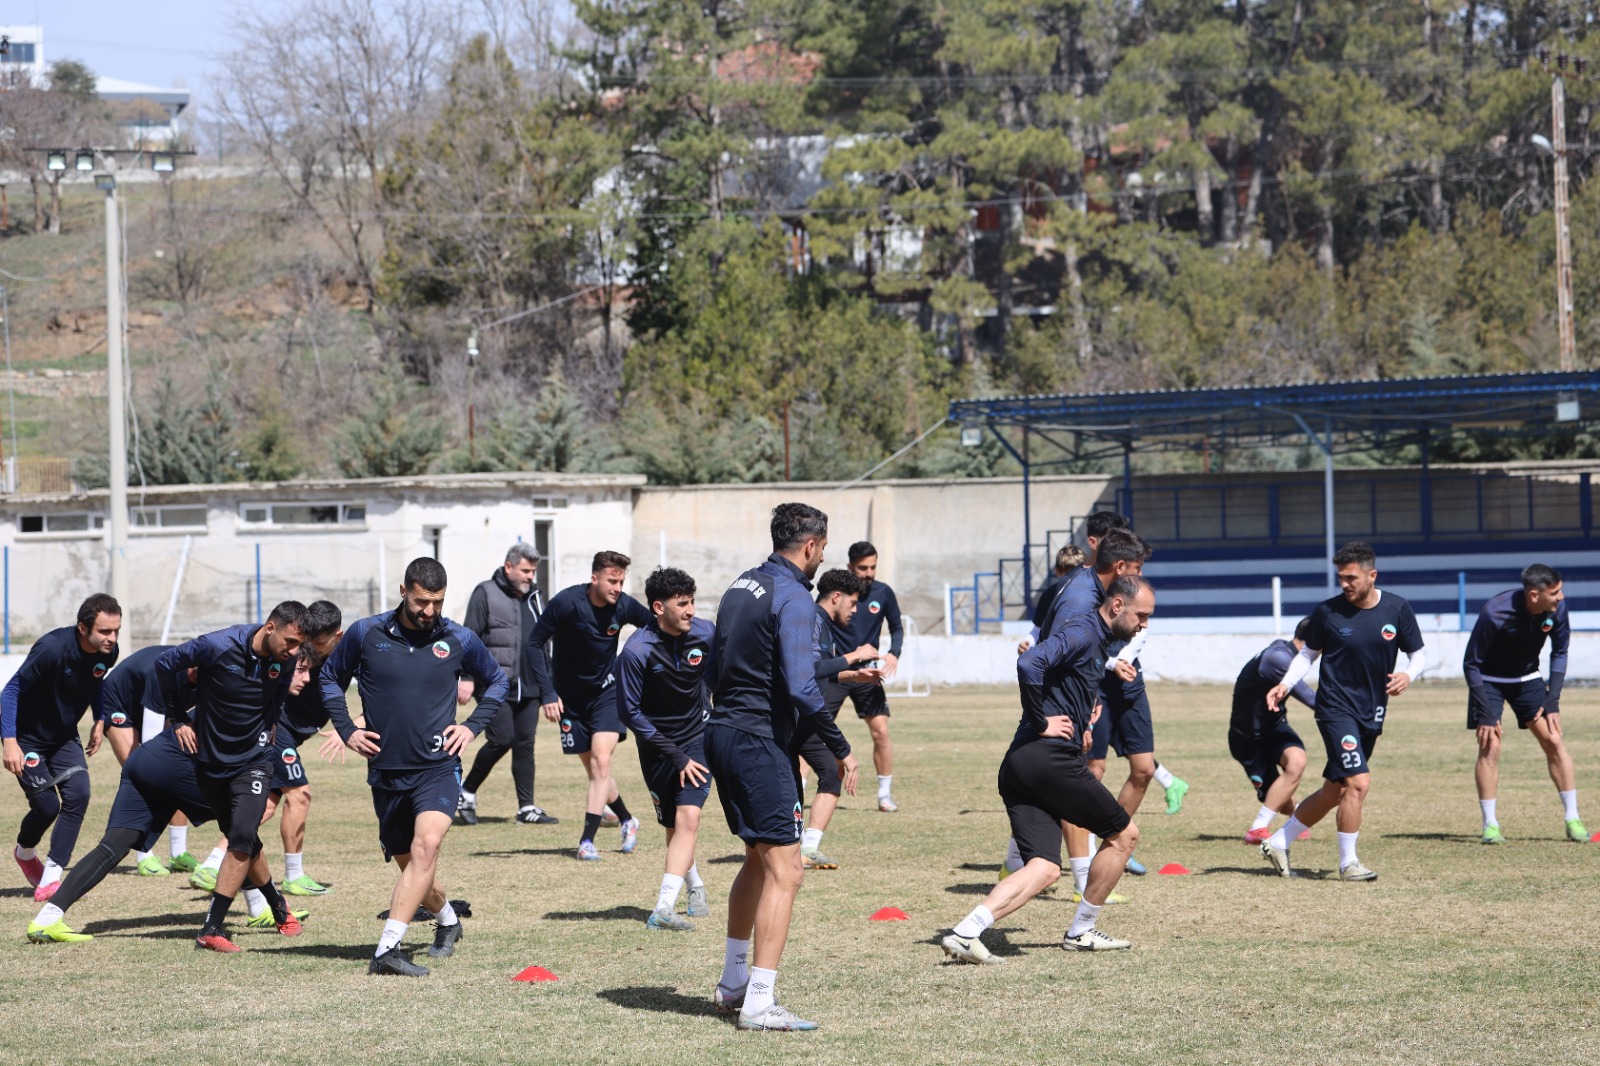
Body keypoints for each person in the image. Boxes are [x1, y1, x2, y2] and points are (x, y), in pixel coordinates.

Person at [941, 576, 1153, 965]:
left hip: (1020, 762)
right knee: (1124, 835)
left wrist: (1082, 716)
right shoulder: (1085, 631)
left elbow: (1058, 673)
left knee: (1043, 867)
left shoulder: (1096, 639)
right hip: (1047, 757)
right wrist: (1041, 722)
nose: (1145, 624)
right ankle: (1082, 930)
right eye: (1142, 615)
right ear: (1118, 606)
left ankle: (965, 932)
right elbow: (1029, 661)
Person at [706, 503, 858, 1031]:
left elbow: (743, 663)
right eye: (825, 547)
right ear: (812, 546)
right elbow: (800, 687)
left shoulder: (742, 585)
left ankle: (732, 983)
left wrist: (839, 668)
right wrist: (839, 746)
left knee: (757, 860)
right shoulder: (795, 596)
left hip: (723, 732)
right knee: (788, 870)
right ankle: (759, 1002)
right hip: (757, 742)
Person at [24, 667, 314, 944]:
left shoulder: (246, 692)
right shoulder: (256, 703)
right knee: (242, 831)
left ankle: (48, 917)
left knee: (113, 845)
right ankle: (273, 906)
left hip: (145, 761)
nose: (305, 677)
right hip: (173, 767)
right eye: (299, 669)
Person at [323, 557, 508, 976]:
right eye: (422, 601)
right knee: (412, 865)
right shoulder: (365, 634)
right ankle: (448, 921)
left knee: (427, 847)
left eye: (437, 602)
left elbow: (498, 681)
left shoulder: (457, 638)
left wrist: (473, 726)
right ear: (404, 590)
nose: (429, 611)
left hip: (437, 768)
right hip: (386, 773)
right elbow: (330, 678)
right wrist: (347, 729)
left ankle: (387, 949)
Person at [1261, 541, 1425, 881]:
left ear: (1372, 575)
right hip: (1335, 708)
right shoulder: (1327, 612)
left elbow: (1418, 654)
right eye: (1341, 578)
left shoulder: (1396, 609)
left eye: (1351, 578)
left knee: (1334, 791)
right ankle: (1349, 863)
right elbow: (1307, 655)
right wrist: (1286, 685)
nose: (1345, 584)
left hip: (1373, 711)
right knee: (1359, 784)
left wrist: (1409, 674)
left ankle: (1279, 841)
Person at [155, 601, 309, 952]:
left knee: (240, 836)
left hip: (254, 761)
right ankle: (278, 905)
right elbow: (165, 664)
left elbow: (278, 696)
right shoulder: (216, 645)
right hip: (209, 762)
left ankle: (212, 927)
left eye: (299, 646)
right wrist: (178, 716)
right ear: (270, 628)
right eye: (290, 642)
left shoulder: (284, 660)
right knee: (243, 840)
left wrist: (270, 725)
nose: (294, 652)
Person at [526, 550, 653, 860]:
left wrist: (632, 667)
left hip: (608, 694)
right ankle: (626, 819)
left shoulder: (623, 606)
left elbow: (654, 628)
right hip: (570, 699)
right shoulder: (566, 603)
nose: (617, 588)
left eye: (621, 581)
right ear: (594, 578)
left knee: (600, 762)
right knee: (596, 770)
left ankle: (586, 842)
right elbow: (533, 643)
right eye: (612, 580)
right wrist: (547, 693)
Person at [617, 566, 716, 931]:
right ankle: (695, 886)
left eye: (692, 602)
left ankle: (662, 908)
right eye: (682, 604)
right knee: (674, 825)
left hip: (698, 739)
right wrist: (674, 755)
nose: (691, 610)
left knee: (689, 818)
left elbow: (722, 677)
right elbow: (629, 711)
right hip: (657, 748)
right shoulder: (637, 652)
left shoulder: (706, 634)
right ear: (659, 608)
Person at [4, 593, 121, 902]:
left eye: (116, 631)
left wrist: (100, 717)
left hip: (64, 735)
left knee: (79, 794)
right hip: (27, 737)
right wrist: (10, 742)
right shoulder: (51, 649)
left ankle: (52, 878)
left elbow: (97, 681)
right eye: (105, 631)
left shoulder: (107, 652)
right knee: (46, 807)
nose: (112, 638)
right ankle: (25, 852)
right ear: (83, 628)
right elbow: (11, 690)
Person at [1463, 563, 1583, 844]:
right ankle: (1490, 825)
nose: (1561, 597)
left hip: (1527, 678)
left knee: (1554, 740)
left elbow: (1560, 652)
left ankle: (1573, 819)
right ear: (1533, 595)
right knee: (1490, 746)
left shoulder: (1557, 610)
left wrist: (1552, 699)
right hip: (1489, 680)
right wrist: (1485, 711)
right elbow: (1471, 664)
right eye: (1554, 592)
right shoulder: (1495, 612)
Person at [457, 543, 558, 827]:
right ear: (509, 567)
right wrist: (466, 677)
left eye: (533, 571)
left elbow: (545, 643)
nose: (530, 577)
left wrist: (548, 686)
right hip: (494, 684)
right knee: (502, 738)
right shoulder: (485, 592)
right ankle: (465, 790)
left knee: (525, 744)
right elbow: (469, 637)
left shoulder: (536, 597)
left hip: (530, 686)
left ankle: (526, 808)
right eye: (526, 570)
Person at [794, 569, 881, 870]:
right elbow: (808, 668)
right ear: (836, 597)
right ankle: (785, 848)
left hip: (808, 721)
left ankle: (809, 848)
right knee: (792, 782)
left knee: (832, 772)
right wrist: (853, 656)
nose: (855, 610)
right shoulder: (812, 621)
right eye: (853, 603)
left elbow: (822, 669)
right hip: (792, 719)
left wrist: (853, 675)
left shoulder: (825, 624)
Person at [95, 643, 201, 876]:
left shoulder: (208, 680)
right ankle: (144, 855)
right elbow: (152, 746)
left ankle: (178, 854)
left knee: (178, 771)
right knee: (146, 776)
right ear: (194, 666)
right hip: (120, 705)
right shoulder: (163, 672)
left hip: (156, 708)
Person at [831, 541, 902, 811]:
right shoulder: (836, 594)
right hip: (836, 673)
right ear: (851, 567)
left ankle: (884, 795)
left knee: (881, 731)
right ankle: (798, 793)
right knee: (811, 734)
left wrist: (894, 652)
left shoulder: (884, 593)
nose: (868, 572)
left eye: (872, 567)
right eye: (862, 568)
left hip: (868, 675)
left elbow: (896, 627)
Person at [1231, 619, 1314, 845]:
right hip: (1248, 739)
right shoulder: (1279, 659)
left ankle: (1258, 828)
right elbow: (1311, 699)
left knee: (1296, 762)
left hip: (1275, 728)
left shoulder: (1283, 650)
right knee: (1276, 797)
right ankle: (1295, 815)